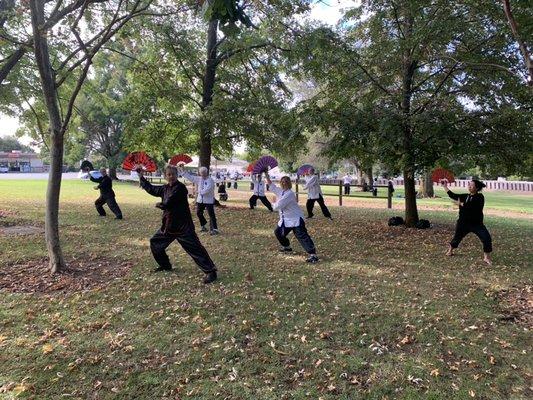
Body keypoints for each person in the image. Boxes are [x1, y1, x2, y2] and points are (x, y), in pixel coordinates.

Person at [138, 165, 218, 282]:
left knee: (195, 249)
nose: (171, 177)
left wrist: (161, 205)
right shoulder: (165, 188)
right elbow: (152, 189)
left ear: (177, 175)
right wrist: (141, 176)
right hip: (168, 226)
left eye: (173, 174)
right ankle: (165, 265)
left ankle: (211, 272)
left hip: (183, 227)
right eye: (169, 174)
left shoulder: (181, 188)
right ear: (165, 176)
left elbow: (170, 201)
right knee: (155, 243)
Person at [265, 174, 319, 263]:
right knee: (278, 232)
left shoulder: (289, 194)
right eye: (282, 182)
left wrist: (273, 202)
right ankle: (287, 247)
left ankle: (313, 255)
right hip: (286, 220)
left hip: (296, 219)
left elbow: (278, 206)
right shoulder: (281, 192)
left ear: (289, 183)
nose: (284, 183)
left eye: (286, 182)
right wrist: (266, 173)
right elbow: (272, 186)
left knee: (302, 236)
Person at [443, 179, 492, 265]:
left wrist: (460, 204)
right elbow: (453, 195)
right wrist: (444, 186)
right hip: (463, 223)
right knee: (457, 238)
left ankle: (486, 257)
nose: (469, 186)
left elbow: (473, 207)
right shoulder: (465, 196)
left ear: (476, 188)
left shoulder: (480, 197)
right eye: (469, 185)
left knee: (486, 238)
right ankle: (450, 250)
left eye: (471, 185)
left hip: (477, 224)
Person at [180, 166, 219, 235]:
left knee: (211, 214)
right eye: (201, 173)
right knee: (199, 213)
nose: (202, 174)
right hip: (200, 200)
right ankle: (203, 225)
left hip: (208, 200)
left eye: (203, 173)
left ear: (206, 173)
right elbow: (190, 177)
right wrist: (183, 170)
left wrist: (198, 191)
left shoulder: (210, 181)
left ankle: (215, 229)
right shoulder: (199, 179)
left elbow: (206, 190)